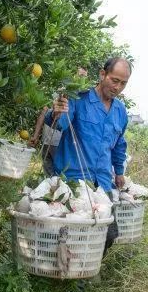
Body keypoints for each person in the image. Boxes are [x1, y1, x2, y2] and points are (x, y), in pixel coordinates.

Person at [45, 57, 131, 253]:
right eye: (114, 80)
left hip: (102, 181)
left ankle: (85, 276)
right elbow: (60, 123)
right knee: (68, 235)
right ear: (103, 74)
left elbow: (119, 144)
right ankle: (66, 278)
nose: (118, 87)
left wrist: (118, 172)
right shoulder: (79, 99)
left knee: (108, 235)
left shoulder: (120, 111)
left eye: (123, 83)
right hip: (73, 181)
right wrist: (56, 112)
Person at [28, 106, 62, 176]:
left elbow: (43, 113)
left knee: (53, 174)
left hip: (57, 142)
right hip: (49, 141)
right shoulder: (55, 96)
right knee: (53, 174)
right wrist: (35, 136)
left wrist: (35, 136)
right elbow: (43, 113)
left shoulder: (69, 99)